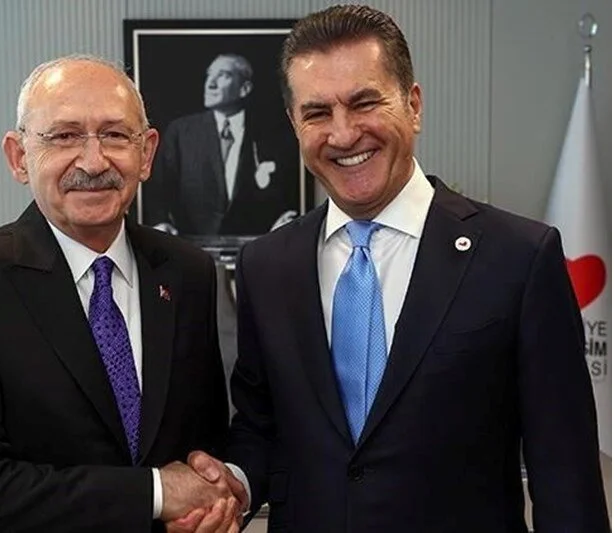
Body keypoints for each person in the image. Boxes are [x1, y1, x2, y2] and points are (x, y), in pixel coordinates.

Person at [185, 5, 611, 532]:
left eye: (364, 103)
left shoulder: (519, 258)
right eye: (317, 113)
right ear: (295, 124)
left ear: (413, 105)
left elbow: (566, 476)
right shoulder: (267, 266)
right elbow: (261, 426)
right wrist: (234, 484)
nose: (343, 135)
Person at [0, 55, 240, 532]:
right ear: (18, 157)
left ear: (147, 154)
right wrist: (153, 492)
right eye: (64, 136)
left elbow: (204, 444)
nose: (93, 161)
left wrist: (216, 497)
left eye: (115, 135)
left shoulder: (189, 272)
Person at [144, 53, 300, 237]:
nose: (210, 84)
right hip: (190, 248)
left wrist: (283, 224)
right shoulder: (181, 132)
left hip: (258, 248)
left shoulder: (271, 134)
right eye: (209, 75)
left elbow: (287, 194)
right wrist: (161, 224)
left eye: (223, 75)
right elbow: (158, 190)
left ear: (244, 89)